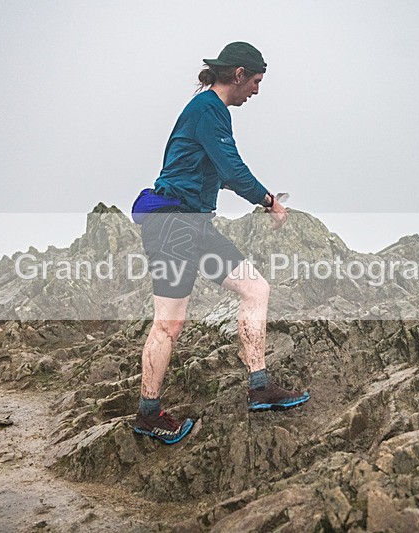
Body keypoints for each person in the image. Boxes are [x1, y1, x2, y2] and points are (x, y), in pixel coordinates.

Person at [131, 42, 310, 445]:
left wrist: (261, 197)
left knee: (255, 287)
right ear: (239, 74)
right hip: (172, 223)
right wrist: (269, 202)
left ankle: (259, 385)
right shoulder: (209, 109)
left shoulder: (212, 113)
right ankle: (148, 414)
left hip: (193, 225)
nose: (257, 91)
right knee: (169, 322)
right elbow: (232, 167)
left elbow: (224, 175)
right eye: (257, 81)